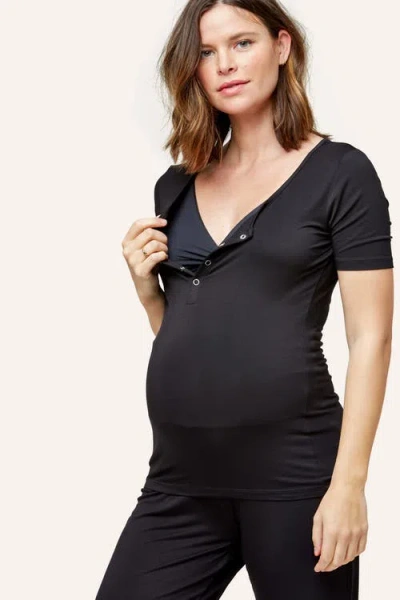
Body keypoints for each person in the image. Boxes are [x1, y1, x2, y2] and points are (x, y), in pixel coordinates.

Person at [95, 1, 394, 598]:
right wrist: (147, 293)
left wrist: (349, 486)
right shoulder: (176, 185)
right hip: (180, 478)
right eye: (206, 52)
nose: (225, 65)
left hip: (295, 476)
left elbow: (372, 338)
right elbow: (194, 334)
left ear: (281, 47)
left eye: (242, 43)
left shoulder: (341, 173)